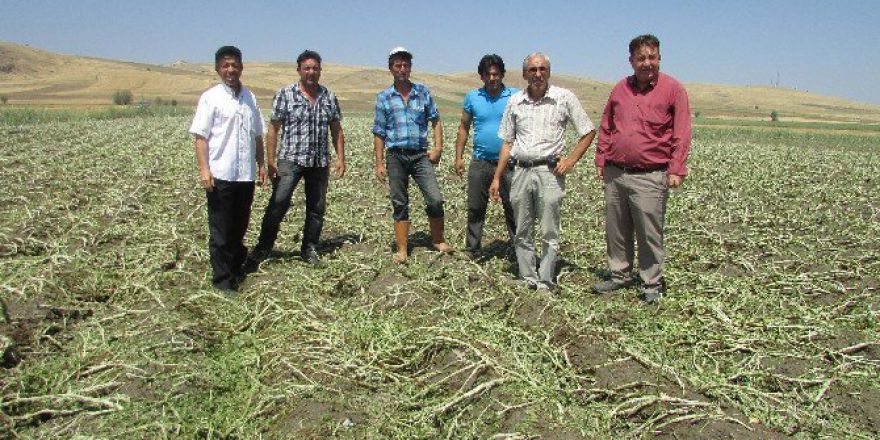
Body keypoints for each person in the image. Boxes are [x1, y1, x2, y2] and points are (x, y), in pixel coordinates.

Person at [591, 34, 692, 303]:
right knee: (617, 229)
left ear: (659, 57)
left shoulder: (673, 90)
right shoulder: (620, 89)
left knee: (649, 231)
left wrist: (676, 168)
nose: (647, 63)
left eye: (652, 57)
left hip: (651, 174)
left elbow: (681, 132)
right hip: (616, 172)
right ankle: (619, 275)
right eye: (641, 58)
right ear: (631, 61)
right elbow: (606, 125)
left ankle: (651, 283)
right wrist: (601, 159)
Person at [489, 53, 596, 291]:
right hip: (520, 171)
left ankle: (546, 280)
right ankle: (527, 277)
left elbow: (588, 131)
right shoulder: (515, 101)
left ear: (549, 71)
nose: (538, 74)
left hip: (550, 173)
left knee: (549, 229)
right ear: (525, 73)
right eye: (533, 70)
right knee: (522, 228)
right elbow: (507, 142)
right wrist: (497, 177)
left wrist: (570, 160)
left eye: (543, 69)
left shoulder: (563, 98)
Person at [245, 50, 345, 268]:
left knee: (317, 207)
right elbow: (273, 129)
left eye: (315, 68)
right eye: (307, 68)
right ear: (299, 70)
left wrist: (341, 158)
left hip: (319, 162)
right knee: (278, 203)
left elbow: (336, 129)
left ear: (320, 70)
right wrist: (271, 161)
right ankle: (263, 247)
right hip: (290, 160)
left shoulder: (329, 97)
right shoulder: (285, 94)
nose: (311, 72)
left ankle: (309, 248)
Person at [189, 45, 266, 292]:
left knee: (240, 225)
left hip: (245, 175)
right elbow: (201, 137)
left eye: (234, 65)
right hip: (220, 173)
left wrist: (262, 164)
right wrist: (204, 170)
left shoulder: (250, 98)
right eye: (225, 65)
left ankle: (235, 268)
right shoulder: (210, 98)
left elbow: (257, 136)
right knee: (220, 230)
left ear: (241, 67)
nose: (230, 69)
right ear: (218, 69)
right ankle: (222, 281)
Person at [373, 47, 454, 263]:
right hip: (396, 156)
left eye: (406, 65)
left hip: (420, 156)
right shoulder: (384, 98)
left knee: (435, 199)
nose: (402, 69)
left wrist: (438, 148)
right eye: (398, 65)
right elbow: (379, 132)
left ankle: (438, 240)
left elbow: (435, 120)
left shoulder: (423, 92)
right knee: (399, 202)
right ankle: (402, 249)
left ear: (410, 67)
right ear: (391, 68)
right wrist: (379, 163)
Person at [453, 54, 518, 258]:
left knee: (513, 207)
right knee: (475, 207)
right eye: (488, 74)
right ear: (481, 76)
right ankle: (472, 249)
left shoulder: (514, 96)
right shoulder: (473, 97)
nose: (492, 78)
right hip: (480, 161)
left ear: (502, 75)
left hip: (509, 163)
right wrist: (459, 156)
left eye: (496, 74)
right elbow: (464, 127)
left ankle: (519, 251)